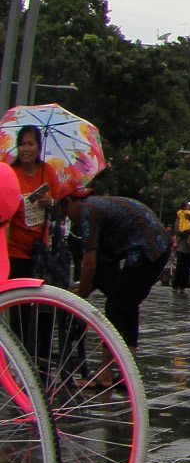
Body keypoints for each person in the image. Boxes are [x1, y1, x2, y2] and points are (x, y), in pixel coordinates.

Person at [63, 191, 172, 348]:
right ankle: (129, 364)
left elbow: (90, 263)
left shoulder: (88, 209)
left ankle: (106, 369)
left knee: (115, 307)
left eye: (66, 212)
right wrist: (85, 290)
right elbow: (102, 266)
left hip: (146, 248)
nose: (70, 218)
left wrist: (81, 292)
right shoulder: (99, 205)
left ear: (69, 202)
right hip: (160, 246)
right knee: (128, 305)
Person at [6, 127, 62, 283]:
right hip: (14, 249)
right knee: (18, 297)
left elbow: (61, 205)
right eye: (22, 144)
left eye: (30, 144)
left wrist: (50, 202)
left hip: (40, 249)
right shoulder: (11, 173)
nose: (26, 149)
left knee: (37, 298)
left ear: (39, 147)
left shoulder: (47, 171)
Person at [170, 201, 190, 293]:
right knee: (179, 266)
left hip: (189, 247)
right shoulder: (180, 217)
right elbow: (178, 230)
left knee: (186, 267)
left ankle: (183, 286)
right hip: (181, 246)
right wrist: (185, 233)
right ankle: (176, 285)